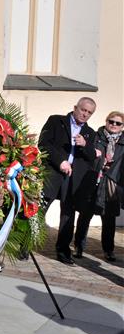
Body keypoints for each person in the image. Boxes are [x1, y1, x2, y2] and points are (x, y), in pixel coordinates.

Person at [37, 97, 98, 266]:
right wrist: (60, 161)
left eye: (89, 112)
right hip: (53, 172)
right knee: (40, 209)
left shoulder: (90, 133)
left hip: (73, 178)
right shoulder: (56, 121)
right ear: (75, 107)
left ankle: (63, 251)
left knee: (68, 215)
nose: (85, 114)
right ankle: (25, 245)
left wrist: (85, 145)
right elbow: (43, 144)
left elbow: (91, 157)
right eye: (83, 110)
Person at [74, 111, 124, 262]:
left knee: (109, 219)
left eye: (118, 123)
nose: (114, 125)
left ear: (122, 126)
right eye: (111, 121)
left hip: (111, 184)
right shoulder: (96, 136)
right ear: (106, 121)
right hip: (93, 180)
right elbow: (87, 155)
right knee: (84, 216)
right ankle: (79, 246)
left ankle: (108, 250)